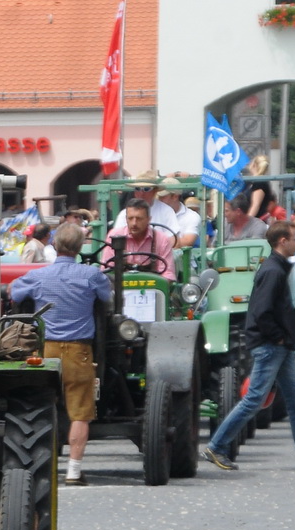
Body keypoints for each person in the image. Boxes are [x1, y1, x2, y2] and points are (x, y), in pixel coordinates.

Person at [9, 223, 112, 484]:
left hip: (46, 350)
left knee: (43, 404)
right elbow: (106, 297)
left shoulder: (39, 275)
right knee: (80, 413)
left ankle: (41, 465)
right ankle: (74, 471)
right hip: (79, 350)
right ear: (80, 247)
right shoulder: (91, 275)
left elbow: (14, 291)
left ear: (53, 245)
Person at [204, 221, 295, 470]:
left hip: (279, 346)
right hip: (272, 346)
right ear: (282, 241)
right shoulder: (273, 271)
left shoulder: (276, 268)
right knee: (254, 399)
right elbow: (261, 311)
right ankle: (216, 446)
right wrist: (278, 337)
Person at [108, 198, 175, 279]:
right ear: (126, 219)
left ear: (148, 219)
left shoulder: (162, 240)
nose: (134, 223)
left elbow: (168, 275)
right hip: (120, 289)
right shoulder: (114, 236)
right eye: (130, 218)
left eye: (139, 219)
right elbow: (107, 271)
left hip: (153, 289)